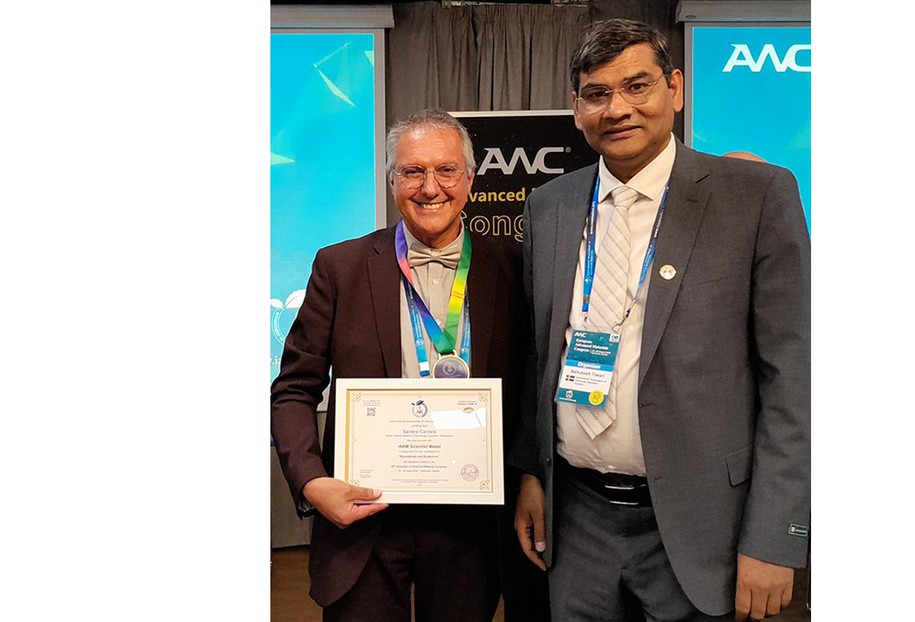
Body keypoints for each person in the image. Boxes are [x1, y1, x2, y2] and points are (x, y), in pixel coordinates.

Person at [512, 19, 810, 622]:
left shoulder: (754, 196)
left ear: (674, 89)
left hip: (707, 531)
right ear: (576, 109)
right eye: (597, 94)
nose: (617, 108)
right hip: (579, 520)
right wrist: (532, 475)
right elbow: (541, 356)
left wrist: (777, 536)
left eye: (637, 86)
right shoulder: (550, 206)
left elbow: (795, 382)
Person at [271, 108, 526, 622]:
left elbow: (529, 388)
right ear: (392, 181)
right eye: (412, 171)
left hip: (471, 525)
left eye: (446, 170)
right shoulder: (339, 267)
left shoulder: (513, 265)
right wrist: (311, 481)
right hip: (363, 518)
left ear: (470, 179)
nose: (430, 187)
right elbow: (294, 388)